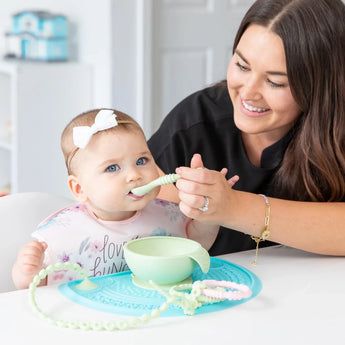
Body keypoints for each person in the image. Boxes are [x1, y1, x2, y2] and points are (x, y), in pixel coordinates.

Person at [148, 0, 345, 258]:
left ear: (321, 87)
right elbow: (134, 208)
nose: (248, 93)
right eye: (242, 66)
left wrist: (231, 207)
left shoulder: (337, 132)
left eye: (275, 82)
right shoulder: (195, 122)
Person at [12, 109, 229, 289]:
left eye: (142, 160)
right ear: (79, 188)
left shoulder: (166, 214)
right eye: (112, 167)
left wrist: (208, 213)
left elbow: (197, 244)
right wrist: (28, 272)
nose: (134, 175)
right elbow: (35, 288)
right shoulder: (62, 232)